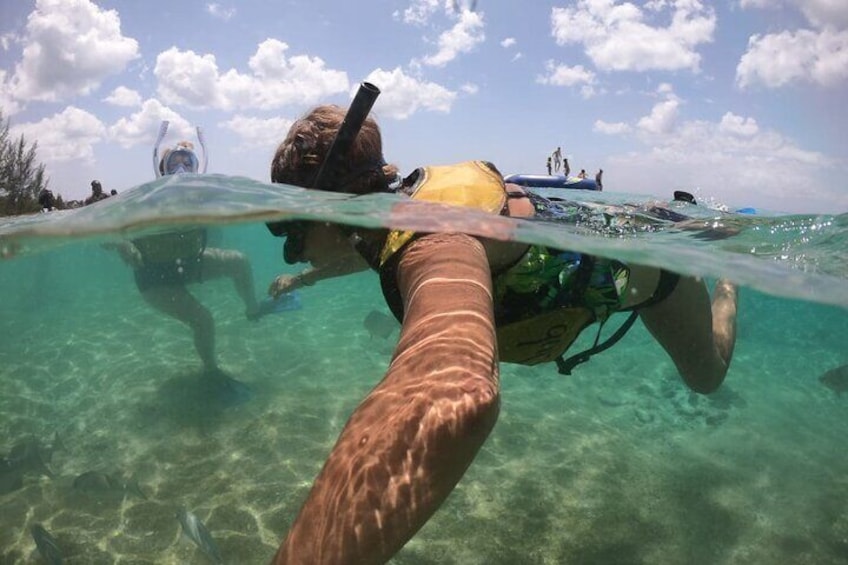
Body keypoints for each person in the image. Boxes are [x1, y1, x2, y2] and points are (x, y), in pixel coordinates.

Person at [265, 100, 738, 563]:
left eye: (289, 230)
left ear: (328, 211)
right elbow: (361, 251)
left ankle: (728, 277)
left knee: (707, 377)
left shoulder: (435, 243)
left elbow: (458, 395)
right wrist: (302, 278)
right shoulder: (387, 215)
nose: (291, 248)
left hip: (661, 274)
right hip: (614, 241)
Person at [112, 138, 292, 397]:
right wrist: (122, 244)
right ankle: (211, 372)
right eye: (175, 161)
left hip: (189, 263)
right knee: (203, 320)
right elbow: (112, 233)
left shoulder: (203, 196)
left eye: (188, 161)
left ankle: (253, 310)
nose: (182, 167)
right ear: (162, 169)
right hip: (154, 278)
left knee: (239, 261)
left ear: (198, 167)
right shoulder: (146, 198)